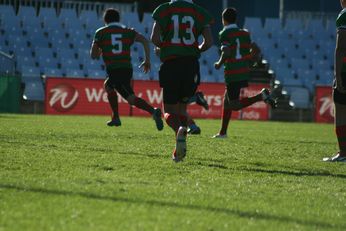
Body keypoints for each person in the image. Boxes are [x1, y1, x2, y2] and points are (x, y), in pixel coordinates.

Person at [151, 0, 213, 161]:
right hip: (191, 65)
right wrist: (194, 49)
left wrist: (166, 47)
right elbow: (209, 42)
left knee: (169, 111)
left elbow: (154, 38)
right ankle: (178, 151)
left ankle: (179, 129)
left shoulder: (165, 9)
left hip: (171, 63)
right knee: (182, 109)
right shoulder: (199, 11)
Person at [90, 8, 163, 131]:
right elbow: (145, 41)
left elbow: (93, 55)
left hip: (115, 69)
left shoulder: (101, 32)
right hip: (126, 69)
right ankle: (153, 111)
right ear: (118, 19)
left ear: (105, 20)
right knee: (131, 99)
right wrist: (147, 60)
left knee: (108, 86)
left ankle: (116, 117)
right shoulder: (127, 31)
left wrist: (101, 50)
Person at [212, 7, 277, 139]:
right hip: (242, 71)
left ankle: (261, 96)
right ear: (235, 19)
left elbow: (227, 52)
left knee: (234, 105)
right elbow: (256, 49)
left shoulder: (224, 33)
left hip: (232, 73)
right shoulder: (244, 33)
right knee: (227, 101)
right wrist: (251, 60)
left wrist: (219, 63)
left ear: (223, 20)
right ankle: (223, 133)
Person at [323, 0, 346, 162]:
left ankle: (343, 153)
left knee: (341, 111)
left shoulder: (344, 15)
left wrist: (338, 77)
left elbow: (340, 49)